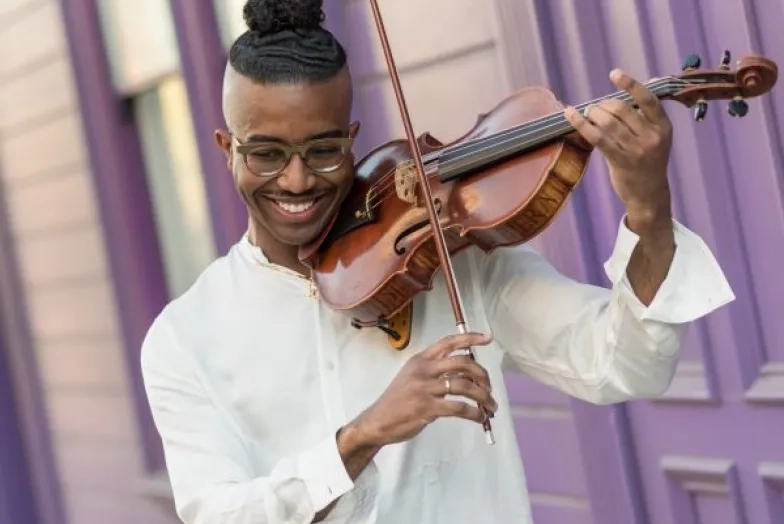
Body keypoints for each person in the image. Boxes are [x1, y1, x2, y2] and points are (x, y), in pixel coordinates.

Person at [140, 1, 735, 523]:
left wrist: (648, 209)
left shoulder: (449, 265)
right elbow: (220, 514)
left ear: (352, 140)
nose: (296, 181)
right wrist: (363, 435)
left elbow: (625, 364)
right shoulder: (186, 338)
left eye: (323, 151)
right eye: (267, 154)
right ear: (227, 148)